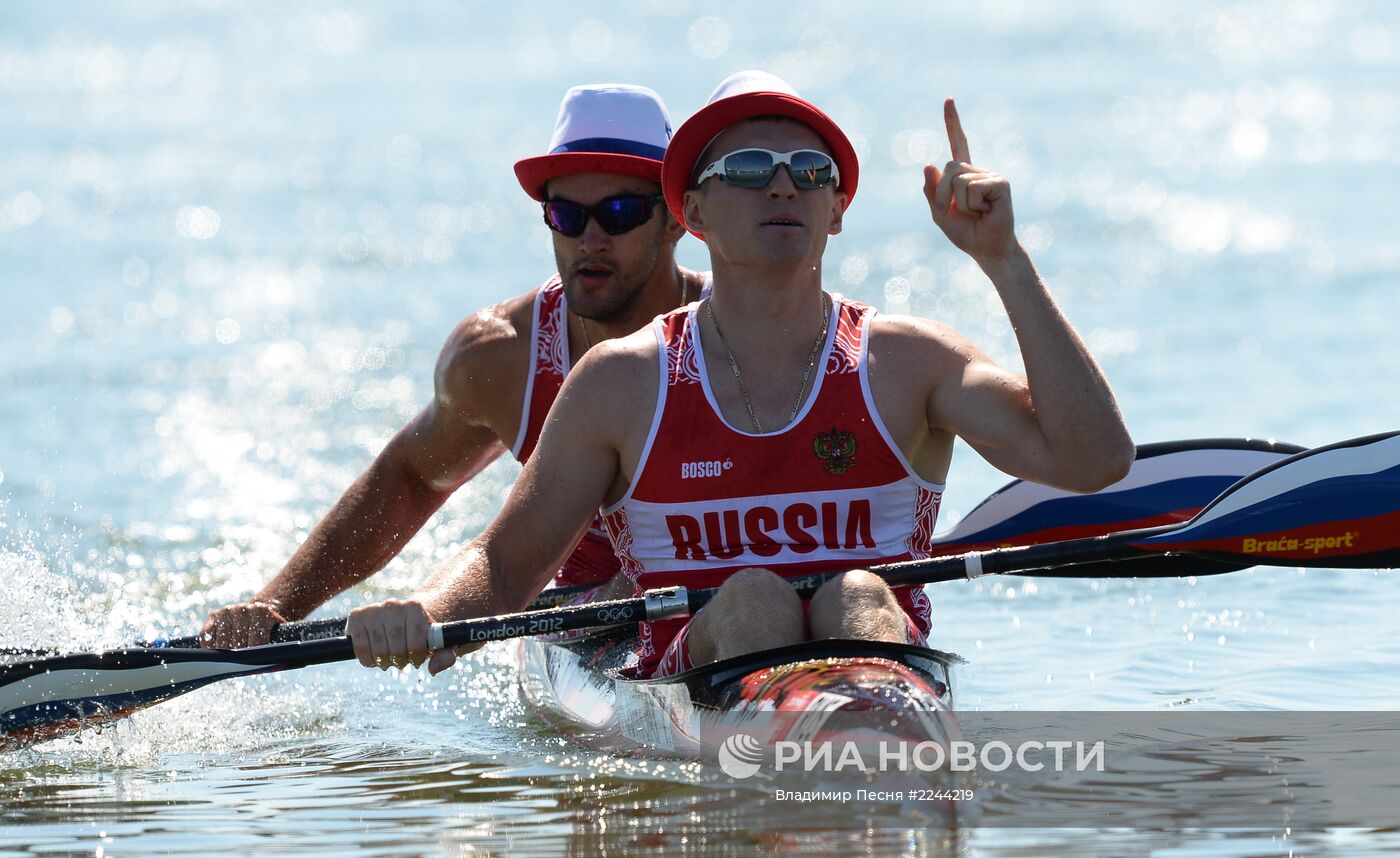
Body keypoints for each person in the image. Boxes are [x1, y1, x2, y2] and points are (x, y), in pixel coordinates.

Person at [344, 71, 1134, 677]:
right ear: (694, 212)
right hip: (689, 679)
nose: (783, 183)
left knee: (860, 594)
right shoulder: (622, 384)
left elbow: (1094, 460)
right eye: (751, 167)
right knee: (753, 598)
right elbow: (505, 563)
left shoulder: (908, 361)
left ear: (837, 208)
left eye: (809, 170)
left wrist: (1006, 263)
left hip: (876, 682)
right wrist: (426, 613)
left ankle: (855, 811)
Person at [201, 83, 708, 648]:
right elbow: (411, 480)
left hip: (727, 603)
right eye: (565, 215)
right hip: (588, 622)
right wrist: (275, 606)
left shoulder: (746, 333)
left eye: (620, 212)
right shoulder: (502, 355)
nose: (590, 239)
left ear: (677, 219)